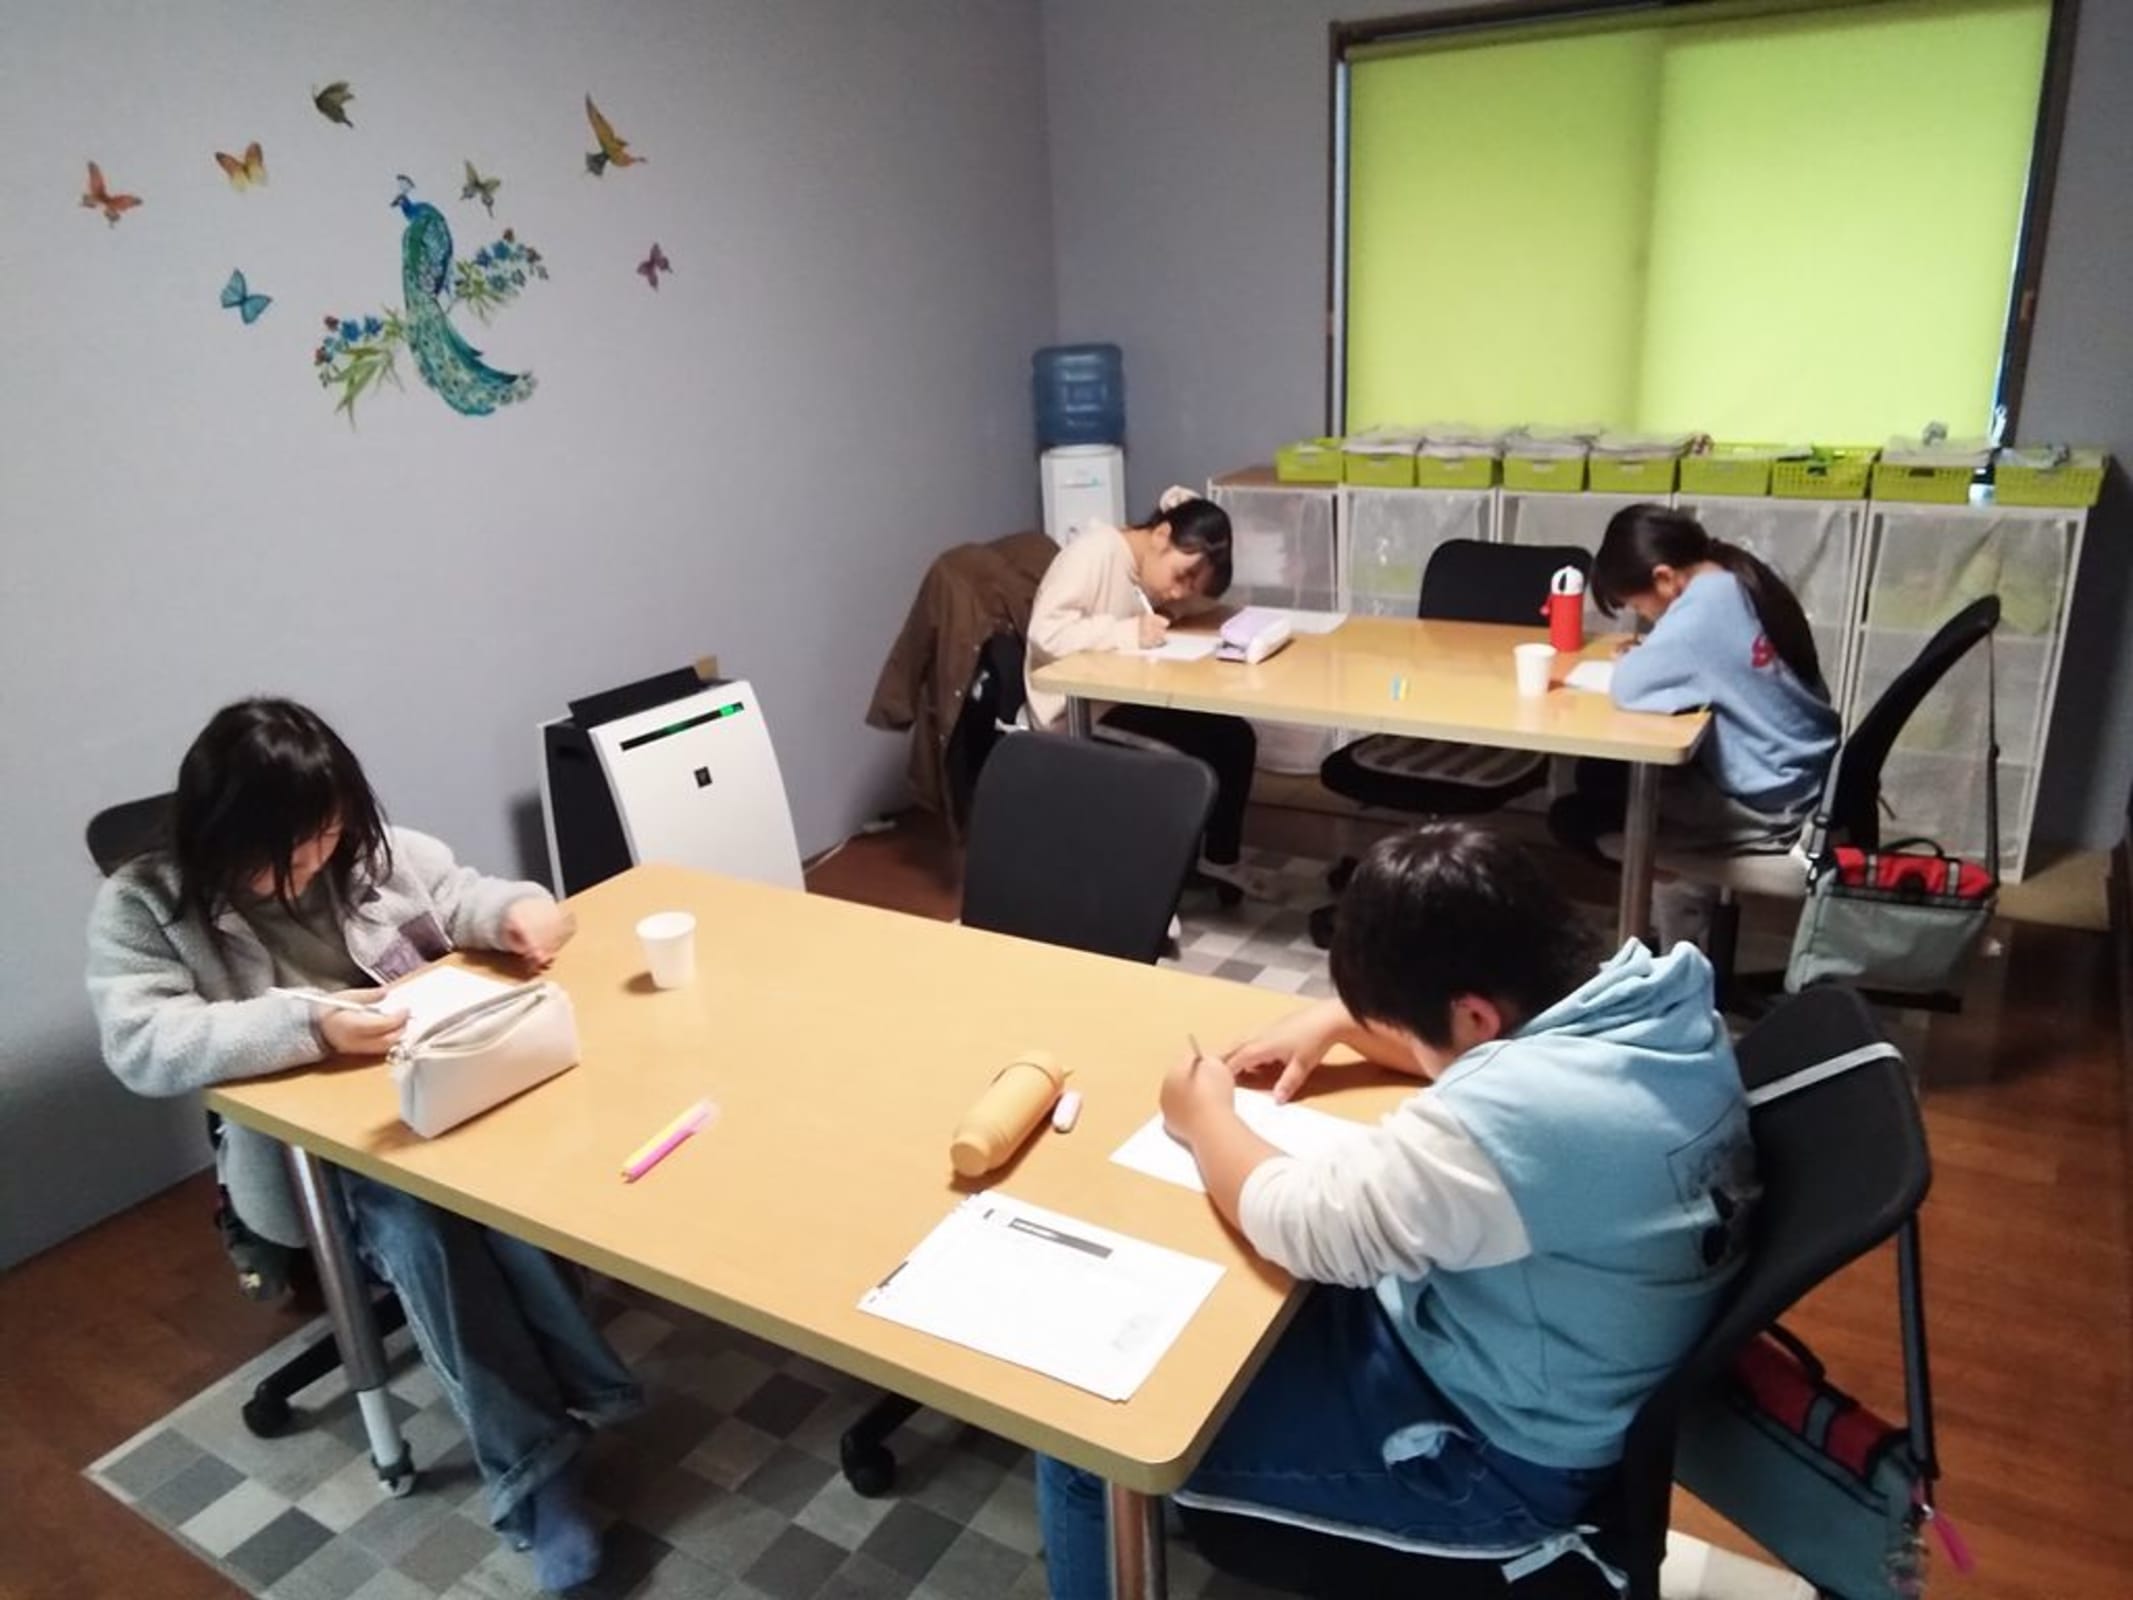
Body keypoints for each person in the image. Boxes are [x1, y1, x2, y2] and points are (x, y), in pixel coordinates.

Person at [1034, 823, 1757, 1597]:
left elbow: (1300, 1222)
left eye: (1416, 1031)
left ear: (1474, 1017)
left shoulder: (1523, 1117)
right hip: (1540, 1370)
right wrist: (1339, 1022)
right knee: (1230, 1316)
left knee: (1086, 1441)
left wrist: (1202, 1113)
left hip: (1496, 1463)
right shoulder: (1653, 1003)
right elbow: (1486, 1057)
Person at [86, 699, 640, 1593]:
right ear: (217, 833)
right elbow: (142, 1042)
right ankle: (538, 1473)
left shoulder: (367, 851)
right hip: (310, 1155)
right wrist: (311, 1025)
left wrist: (519, 912)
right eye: (282, 856)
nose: (309, 868)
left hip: (442, 1090)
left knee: (510, 1189)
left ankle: (590, 1392)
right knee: (425, 1227)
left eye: (324, 839)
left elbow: (462, 894)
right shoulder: (145, 904)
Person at [1549, 504, 1841, 944]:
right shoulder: (1734, 575)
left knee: (1573, 816)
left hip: (1771, 805)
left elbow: (1628, 688)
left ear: (1665, 578)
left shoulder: (1702, 610)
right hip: (1803, 777)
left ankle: (1670, 877)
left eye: (1639, 606)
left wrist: (1642, 658)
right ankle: (1679, 892)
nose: (1645, 617)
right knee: (1601, 774)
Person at [1023, 487, 1259, 890]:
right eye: (1182, 576)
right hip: (1077, 712)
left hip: (1122, 696)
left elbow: (1200, 599)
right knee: (1188, 758)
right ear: (1161, 536)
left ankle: (1215, 859)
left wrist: (1175, 598)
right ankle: (1149, 878)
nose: (1180, 591)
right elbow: (1045, 633)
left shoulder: (1151, 564)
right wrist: (1125, 632)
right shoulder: (1095, 553)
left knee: (1234, 737)